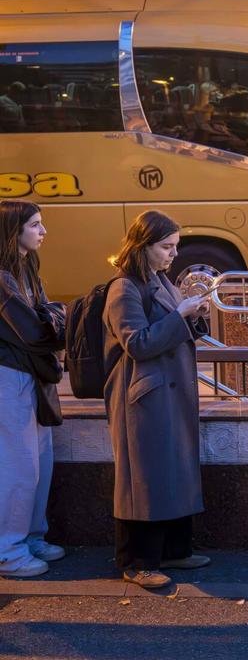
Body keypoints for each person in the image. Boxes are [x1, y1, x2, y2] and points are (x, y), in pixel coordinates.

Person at [103, 211, 211, 590]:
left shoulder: (159, 279)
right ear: (143, 246)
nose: (173, 254)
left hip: (166, 390)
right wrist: (180, 315)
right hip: (142, 395)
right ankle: (137, 561)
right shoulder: (124, 287)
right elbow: (137, 342)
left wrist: (195, 316)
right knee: (143, 478)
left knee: (172, 470)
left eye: (175, 246)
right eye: (166, 247)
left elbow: (174, 328)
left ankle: (174, 550)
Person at [0, 201, 65, 579]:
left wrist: (51, 317)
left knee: (40, 460)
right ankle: (8, 550)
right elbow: (37, 329)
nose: (43, 232)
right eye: (36, 225)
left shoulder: (25, 267)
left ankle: (30, 538)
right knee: (19, 464)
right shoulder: (3, 276)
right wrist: (55, 318)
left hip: (30, 373)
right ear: (13, 230)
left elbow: (44, 317)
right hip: (9, 374)